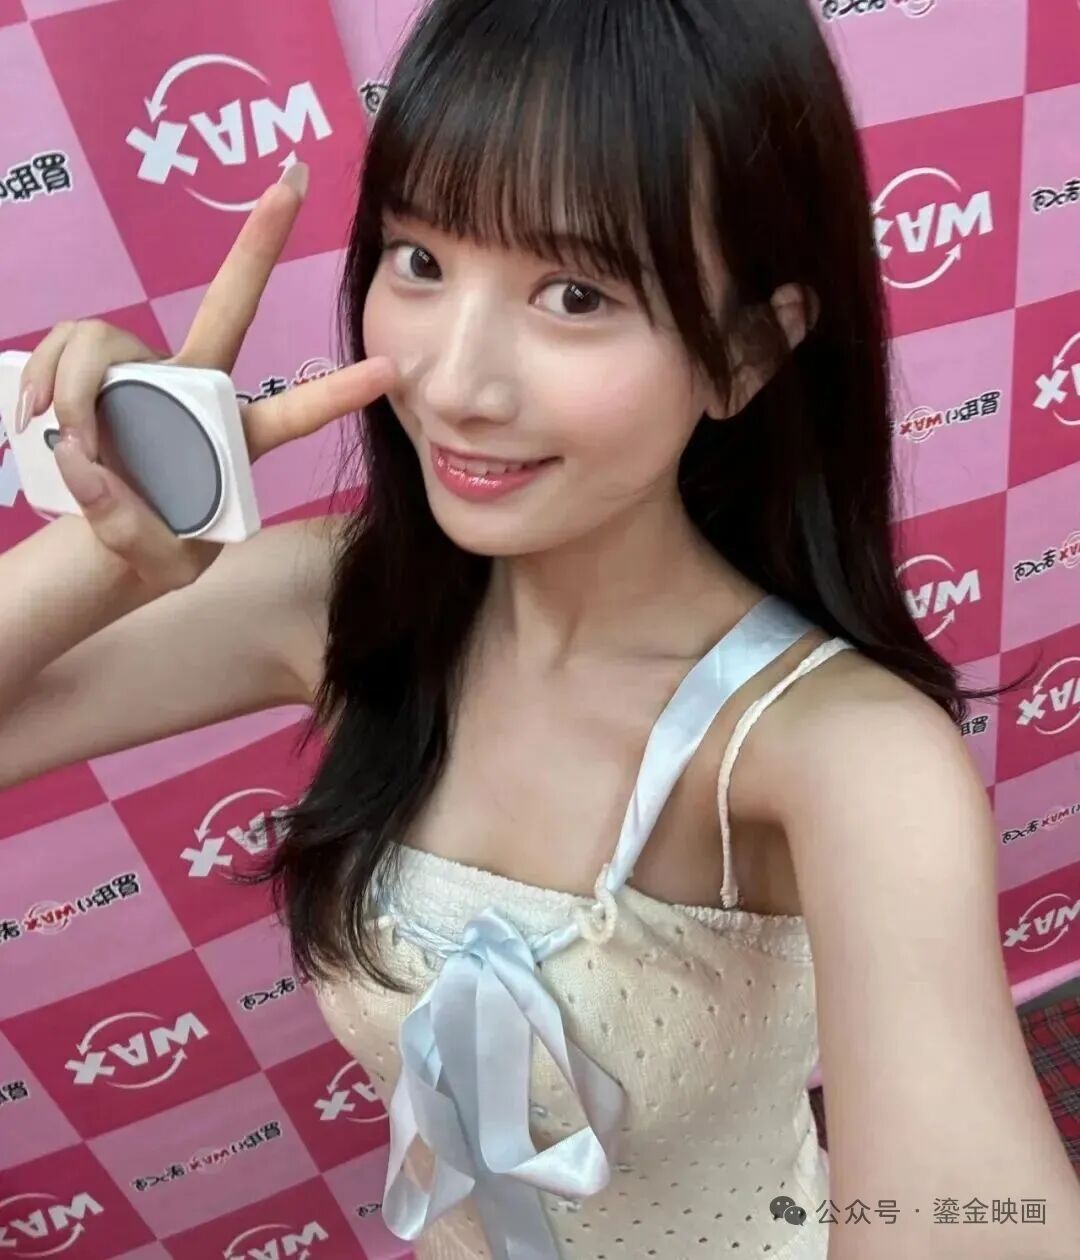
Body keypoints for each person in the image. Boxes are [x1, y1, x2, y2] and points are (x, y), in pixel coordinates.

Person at [2, 0, 1078, 1256]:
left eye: (574, 293)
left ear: (744, 351)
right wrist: (122, 540)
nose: (455, 383)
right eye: (419, 261)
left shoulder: (840, 753)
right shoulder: (344, 602)